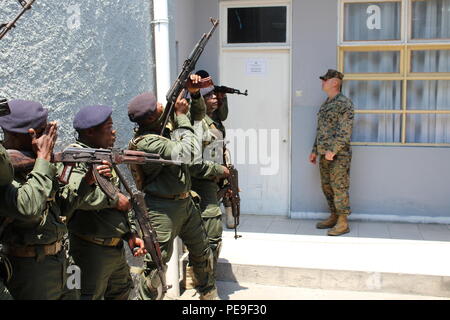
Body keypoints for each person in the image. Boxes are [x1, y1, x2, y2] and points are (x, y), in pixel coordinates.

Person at [127, 74, 219, 300]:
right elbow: (187, 152)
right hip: (162, 209)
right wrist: (179, 115)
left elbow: (197, 119)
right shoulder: (147, 141)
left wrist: (194, 94)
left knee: (202, 253)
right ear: (150, 116)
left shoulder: (163, 126)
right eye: (158, 105)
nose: (162, 105)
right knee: (156, 267)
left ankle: (208, 295)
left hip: (186, 203)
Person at [0, 100, 97, 299]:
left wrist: (87, 182)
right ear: (27, 135)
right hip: (31, 270)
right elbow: (27, 207)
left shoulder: (38, 164)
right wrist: (43, 160)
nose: (49, 137)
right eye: (43, 130)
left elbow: (60, 211)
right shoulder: (6, 174)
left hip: (61, 260)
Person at [62, 105, 146, 300]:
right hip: (89, 252)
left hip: (114, 249)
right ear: (90, 132)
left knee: (121, 293)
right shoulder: (76, 157)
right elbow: (75, 198)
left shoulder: (101, 154)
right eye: (109, 127)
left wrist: (130, 234)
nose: (114, 131)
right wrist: (114, 200)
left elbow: (122, 199)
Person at [190, 84, 230, 280]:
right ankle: (203, 279)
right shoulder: (197, 124)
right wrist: (218, 170)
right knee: (211, 232)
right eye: (210, 96)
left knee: (208, 233)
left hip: (213, 180)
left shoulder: (211, 121)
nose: (215, 98)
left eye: (215, 95)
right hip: (201, 183)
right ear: (200, 101)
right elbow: (194, 164)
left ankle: (203, 277)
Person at [309, 69, 354, 236]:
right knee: (327, 187)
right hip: (324, 154)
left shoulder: (344, 103)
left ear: (335, 82)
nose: (323, 82)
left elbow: (345, 131)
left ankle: (343, 222)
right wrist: (315, 151)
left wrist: (333, 151)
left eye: (325, 80)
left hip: (339, 155)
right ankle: (334, 216)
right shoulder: (327, 102)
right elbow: (321, 131)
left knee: (339, 187)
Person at [194, 70, 235, 229]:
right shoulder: (197, 103)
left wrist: (222, 99)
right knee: (212, 178)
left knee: (227, 178)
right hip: (206, 144)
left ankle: (229, 213)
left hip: (218, 141)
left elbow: (223, 116)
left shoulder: (214, 96)